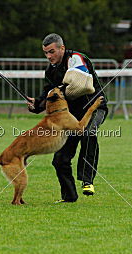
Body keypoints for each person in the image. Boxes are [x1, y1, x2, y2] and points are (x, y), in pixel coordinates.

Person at [27, 33, 108, 203]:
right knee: (59, 160)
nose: (49, 57)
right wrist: (37, 104)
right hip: (71, 116)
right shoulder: (50, 71)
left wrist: (60, 90)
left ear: (62, 48)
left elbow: (81, 84)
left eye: (51, 52)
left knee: (88, 133)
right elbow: (48, 95)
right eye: (45, 53)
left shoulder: (76, 59)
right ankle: (69, 197)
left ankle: (87, 180)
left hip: (94, 108)